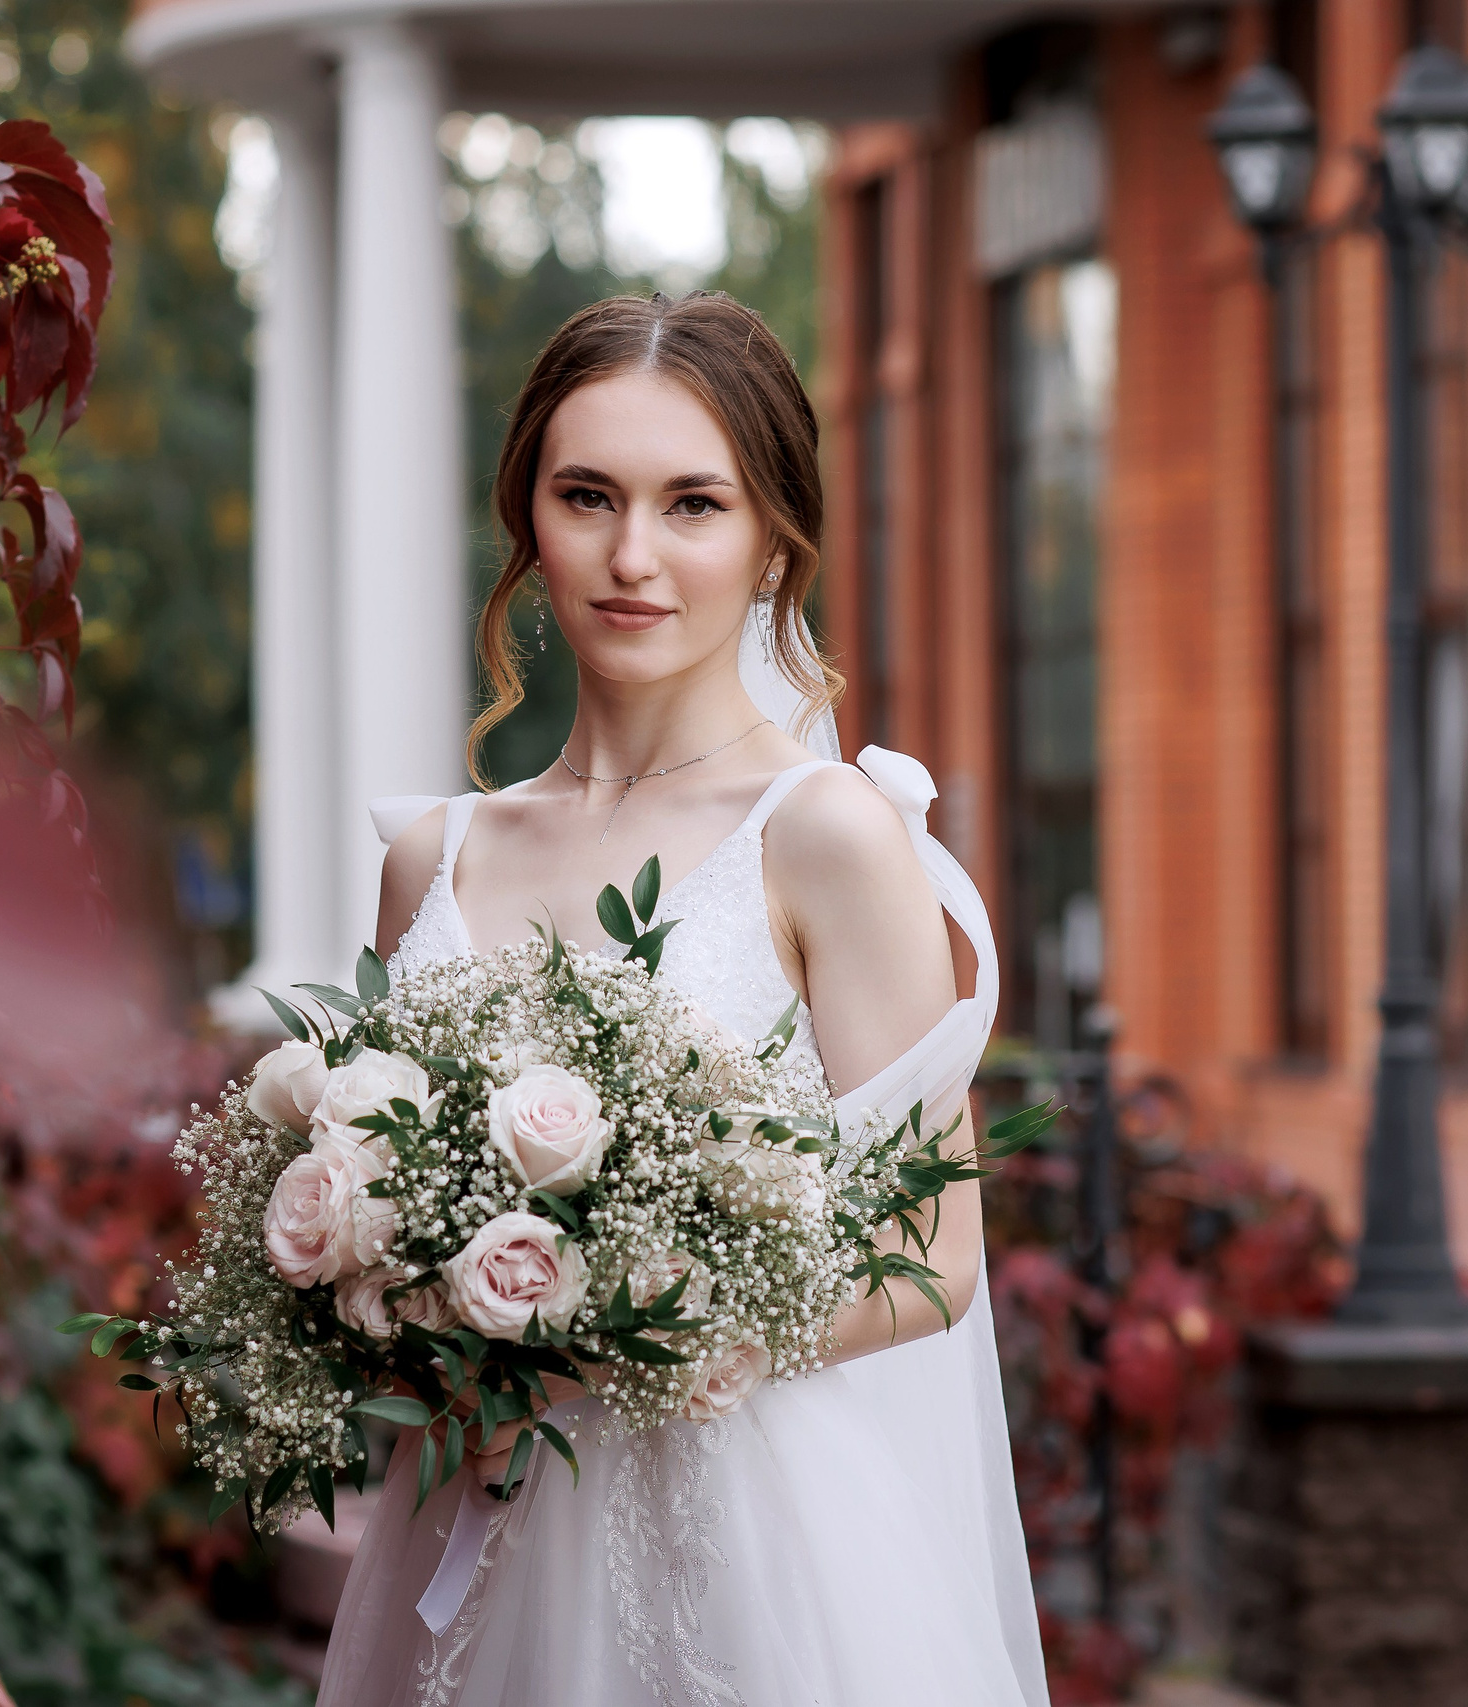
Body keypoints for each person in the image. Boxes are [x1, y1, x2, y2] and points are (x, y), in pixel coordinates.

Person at [317, 292, 1049, 1707]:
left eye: (693, 504)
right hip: (475, 1530)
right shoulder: (433, 859)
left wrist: (633, 1341)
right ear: (526, 516)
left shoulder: (827, 832)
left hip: (748, 1553)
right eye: (586, 496)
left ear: (775, 536)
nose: (632, 555)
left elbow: (935, 1250)